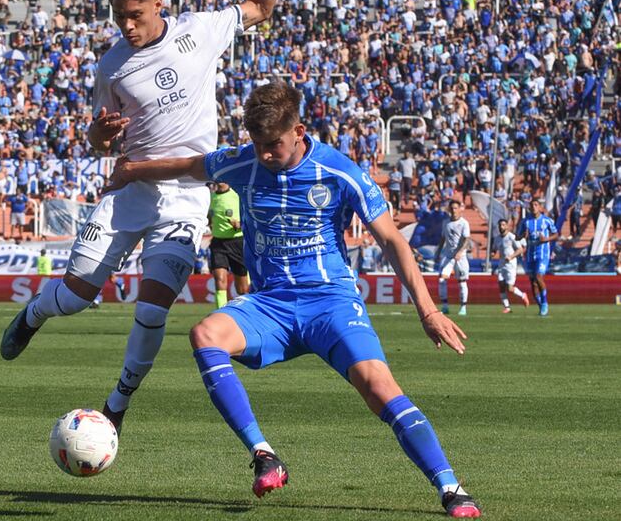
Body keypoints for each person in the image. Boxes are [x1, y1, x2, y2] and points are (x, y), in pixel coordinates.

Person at [104, 82, 480, 517]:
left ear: (299, 131)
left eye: (274, 145)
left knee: (379, 387)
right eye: (258, 144)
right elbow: (189, 165)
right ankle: (264, 454)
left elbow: (393, 240)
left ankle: (450, 488)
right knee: (205, 334)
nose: (265, 154)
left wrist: (428, 311)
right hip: (270, 306)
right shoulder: (242, 162)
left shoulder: (339, 171)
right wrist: (132, 171)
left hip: (330, 302)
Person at [0, 0, 288, 436]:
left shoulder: (199, 31)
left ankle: (117, 403)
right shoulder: (111, 66)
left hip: (185, 196)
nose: (128, 27)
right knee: (76, 296)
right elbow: (97, 140)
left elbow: (261, 5)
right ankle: (34, 314)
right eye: (120, 18)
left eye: (136, 15)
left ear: (158, 4)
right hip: (130, 190)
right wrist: (100, 136)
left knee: (153, 309)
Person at [208, 181, 248, 308]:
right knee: (219, 279)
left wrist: (240, 224)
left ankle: (244, 312)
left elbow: (250, 214)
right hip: (218, 243)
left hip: (237, 242)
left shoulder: (236, 194)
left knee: (242, 289)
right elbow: (209, 216)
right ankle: (221, 312)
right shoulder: (211, 197)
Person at [517, 198, 558, 317]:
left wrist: (546, 239)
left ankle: (545, 303)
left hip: (543, 254)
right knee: (533, 283)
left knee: (539, 276)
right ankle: (540, 306)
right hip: (530, 255)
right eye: (532, 205)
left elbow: (556, 234)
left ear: (540, 207)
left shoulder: (547, 220)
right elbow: (517, 236)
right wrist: (522, 236)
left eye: (536, 205)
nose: (533, 207)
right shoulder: (525, 222)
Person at [435, 200, 470, 315]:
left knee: (461, 282)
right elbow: (442, 238)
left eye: (456, 208)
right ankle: (445, 306)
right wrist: (438, 252)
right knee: (442, 279)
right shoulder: (446, 222)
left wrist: (460, 252)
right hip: (448, 256)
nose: (454, 211)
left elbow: (466, 240)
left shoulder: (464, 223)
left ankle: (463, 307)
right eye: (452, 208)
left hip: (461, 257)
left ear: (460, 209)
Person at [495, 218, 530, 313]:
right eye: (500, 225)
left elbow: (520, 249)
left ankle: (523, 295)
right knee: (501, 286)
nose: (501, 227)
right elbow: (495, 249)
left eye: (503, 225)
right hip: (501, 265)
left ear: (507, 226)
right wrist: (493, 253)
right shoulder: (497, 238)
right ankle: (507, 307)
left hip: (510, 265)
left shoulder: (511, 237)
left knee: (510, 288)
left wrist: (511, 256)